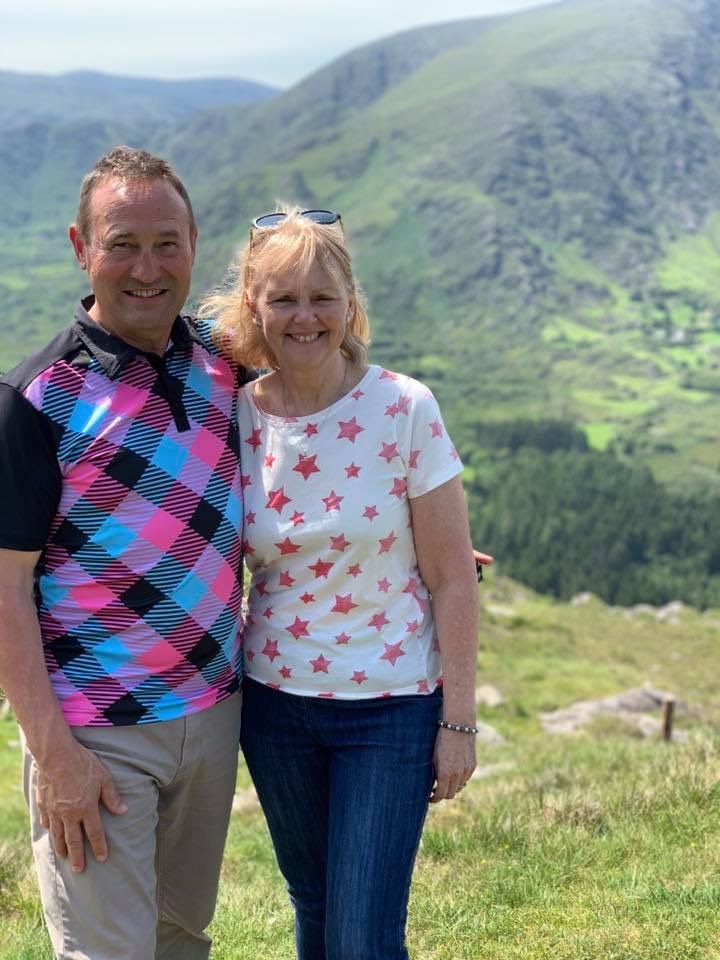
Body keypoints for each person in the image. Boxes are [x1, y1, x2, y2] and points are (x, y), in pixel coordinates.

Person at [201, 207, 481, 959]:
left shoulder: (404, 408)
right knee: (318, 905)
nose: (305, 317)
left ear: (350, 303)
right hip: (274, 704)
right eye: (284, 298)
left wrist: (458, 722)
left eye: (322, 296)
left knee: (362, 936)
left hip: (389, 709)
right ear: (253, 307)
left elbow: (454, 579)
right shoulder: (235, 417)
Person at [0, 146, 253, 960]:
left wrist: (417, 537)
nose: (147, 268)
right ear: (82, 247)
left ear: (193, 240)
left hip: (213, 716)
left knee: (182, 939)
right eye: (122, 244)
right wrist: (54, 754)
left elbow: (322, 432)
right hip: (97, 736)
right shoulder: (35, 399)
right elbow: (3, 590)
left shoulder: (228, 363)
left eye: (166, 243)